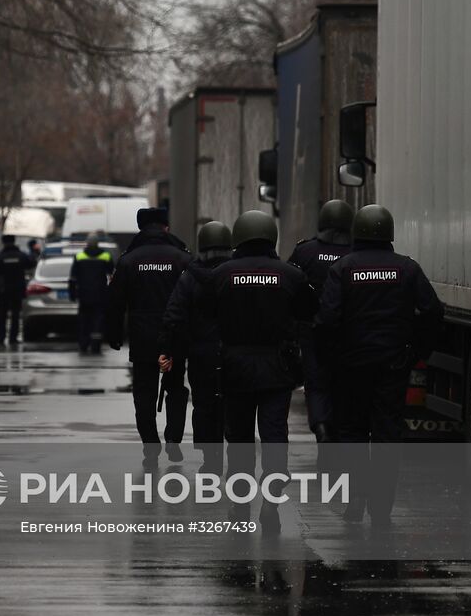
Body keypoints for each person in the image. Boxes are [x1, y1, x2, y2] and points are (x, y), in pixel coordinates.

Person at [316, 204, 444, 529]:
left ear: (357, 230)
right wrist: (417, 351)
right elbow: (432, 312)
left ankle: (355, 496)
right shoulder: (407, 269)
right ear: (389, 233)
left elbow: (328, 319)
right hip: (392, 365)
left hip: (351, 366)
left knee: (352, 432)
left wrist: (332, 358)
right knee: (387, 436)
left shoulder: (343, 269)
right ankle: (382, 507)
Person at [189, 209, 316, 532]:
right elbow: (308, 312)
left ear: (239, 237)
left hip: (235, 370)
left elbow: (205, 311)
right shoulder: (291, 275)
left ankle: (240, 504)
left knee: (240, 439)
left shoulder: (220, 275)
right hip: (277, 369)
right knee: (274, 436)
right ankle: (271, 502)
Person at [104, 207, 192, 465]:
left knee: (144, 392)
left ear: (141, 228)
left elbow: (115, 301)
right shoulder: (182, 258)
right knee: (175, 387)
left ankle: (150, 445)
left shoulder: (129, 260)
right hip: (176, 335)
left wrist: (114, 334)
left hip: (142, 336)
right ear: (166, 226)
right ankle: (174, 439)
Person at [159, 219, 232, 474]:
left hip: (200, 354)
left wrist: (169, 351)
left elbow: (174, 316)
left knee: (203, 404)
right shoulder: (235, 275)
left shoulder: (190, 277)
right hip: (233, 352)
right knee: (231, 404)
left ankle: (209, 459)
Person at [287, 199, 356, 443]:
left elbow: (289, 287)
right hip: (348, 332)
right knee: (343, 384)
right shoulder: (355, 253)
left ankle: (322, 426)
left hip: (311, 331)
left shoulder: (304, 251)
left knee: (316, 384)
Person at [69, 233, 113, 354]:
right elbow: (112, 275)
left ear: (87, 243)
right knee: (98, 322)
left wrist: (72, 294)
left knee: (84, 321)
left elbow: (73, 278)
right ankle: (96, 346)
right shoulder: (106, 256)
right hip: (100, 295)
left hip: (84, 295)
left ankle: (83, 344)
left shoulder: (79, 256)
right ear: (97, 243)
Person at [0, 234, 32, 347]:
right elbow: (30, 263)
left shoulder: (0, 257)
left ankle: (1, 337)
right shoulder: (21, 256)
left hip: (3, 290)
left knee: (2, 315)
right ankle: (13, 338)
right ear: (14, 241)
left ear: (3, 242)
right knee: (15, 314)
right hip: (17, 290)